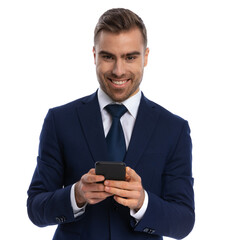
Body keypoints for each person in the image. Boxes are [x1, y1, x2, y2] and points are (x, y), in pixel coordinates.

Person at [27, 8, 195, 240]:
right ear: (94, 55)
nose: (118, 70)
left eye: (130, 57)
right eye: (108, 56)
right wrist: (76, 195)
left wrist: (142, 202)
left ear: (146, 57)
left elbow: (184, 221)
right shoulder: (60, 120)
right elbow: (35, 208)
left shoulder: (173, 129)